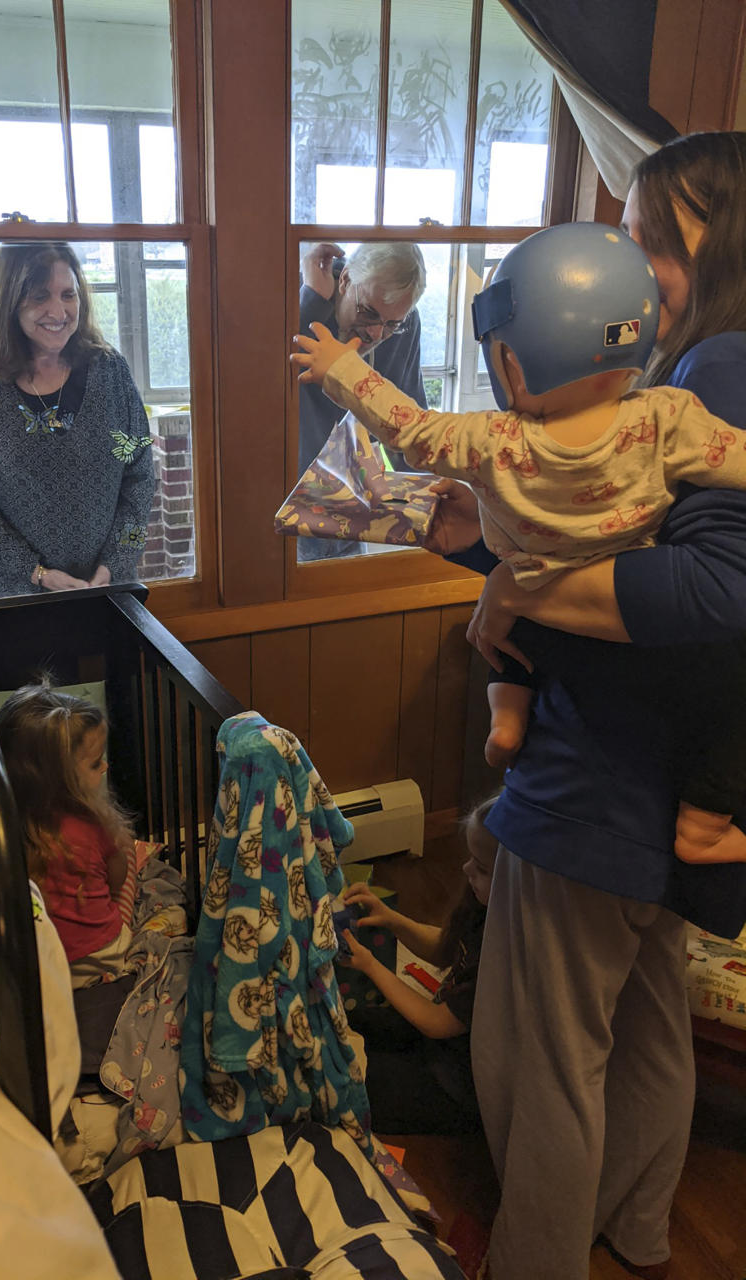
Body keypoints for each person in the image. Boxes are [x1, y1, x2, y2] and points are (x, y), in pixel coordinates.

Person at [386, 131, 746, 1280]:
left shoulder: (714, 377)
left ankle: (532, 1258)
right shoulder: (668, 389)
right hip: (655, 792)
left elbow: (709, 588)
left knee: (542, 1056)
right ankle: (635, 1229)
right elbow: (617, 563)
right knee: (645, 1028)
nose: (628, 261)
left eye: (651, 236)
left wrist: (509, 578)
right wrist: (489, 554)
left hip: (595, 781)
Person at [291, 219, 746, 866]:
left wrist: (339, 366)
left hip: (532, 587)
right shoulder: (667, 414)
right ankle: (702, 820)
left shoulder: (497, 438)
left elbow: (412, 426)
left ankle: (507, 721)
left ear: (510, 358)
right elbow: (733, 458)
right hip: (619, 603)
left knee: (509, 636)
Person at [0, 242, 154, 599]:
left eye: (68, 295)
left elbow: (140, 480)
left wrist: (117, 561)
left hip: (108, 591)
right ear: (9, 301)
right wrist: (36, 573)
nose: (59, 311)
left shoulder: (110, 370)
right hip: (17, 600)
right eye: (40, 296)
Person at [338, 793, 500, 1136]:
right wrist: (393, 920)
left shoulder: (503, 954)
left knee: (343, 1082)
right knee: (349, 1023)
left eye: (481, 868)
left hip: (454, 1087)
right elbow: (445, 948)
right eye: (470, 857)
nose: (465, 868)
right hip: (439, 1048)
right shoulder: (482, 909)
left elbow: (436, 1022)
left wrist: (371, 966)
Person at [0, 681, 135, 989]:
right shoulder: (91, 824)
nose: (106, 766)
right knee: (129, 851)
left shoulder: (0, 824)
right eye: (96, 763)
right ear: (60, 778)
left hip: (41, 963)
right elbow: (117, 877)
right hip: (101, 955)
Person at [297, 240, 428, 561]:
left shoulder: (403, 325)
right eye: (368, 312)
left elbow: (405, 410)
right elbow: (261, 380)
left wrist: (425, 509)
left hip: (352, 498)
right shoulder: (304, 302)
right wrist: (311, 304)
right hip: (286, 497)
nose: (376, 333)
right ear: (345, 281)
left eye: (392, 324)